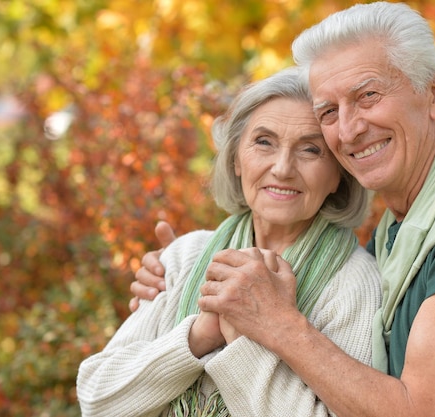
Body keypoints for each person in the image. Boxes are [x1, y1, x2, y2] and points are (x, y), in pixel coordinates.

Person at [130, 2, 435, 417]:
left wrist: (279, 323)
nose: (348, 130)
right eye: (328, 111)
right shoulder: (407, 218)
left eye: (368, 96)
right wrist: (178, 283)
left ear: (433, 95)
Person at [77, 66, 383, 417]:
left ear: (338, 177)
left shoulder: (355, 286)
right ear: (236, 159)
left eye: (310, 150)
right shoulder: (187, 256)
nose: (282, 168)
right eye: (264, 142)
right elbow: (96, 399)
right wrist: (200, 336)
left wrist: (244, 339)